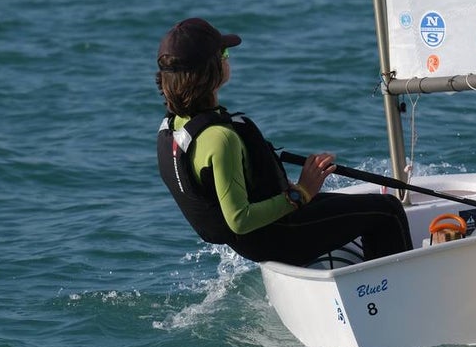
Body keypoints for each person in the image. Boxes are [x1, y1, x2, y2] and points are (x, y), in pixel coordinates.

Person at [156, 18, 413, 266]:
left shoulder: (174, 127)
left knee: (358, 207)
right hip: (278, 235)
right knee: (387, 211)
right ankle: (401, 295)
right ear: (210, 70)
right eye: (223, 54)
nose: (228, 60)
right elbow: (239, 219)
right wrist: (300, 192)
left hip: (258, 239)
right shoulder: (220, 139)